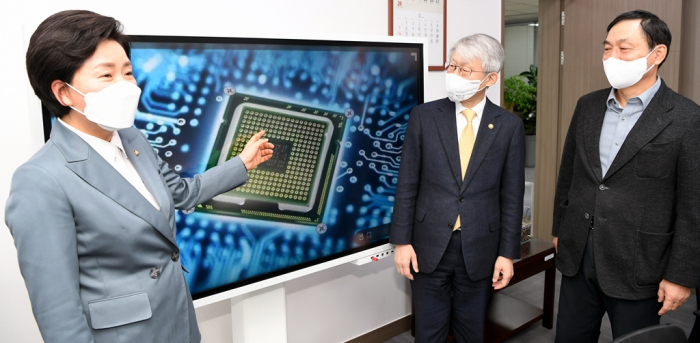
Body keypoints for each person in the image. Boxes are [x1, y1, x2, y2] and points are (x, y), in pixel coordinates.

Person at [5, 10, 273, 343]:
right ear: (63, 92)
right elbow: (59, 315)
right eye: (107, 75)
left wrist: (242, 164)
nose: (127, 86)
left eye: (128, 72)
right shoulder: (40, 181)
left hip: (178, 324)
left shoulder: (132, 139)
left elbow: (183, 194)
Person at [552, 10, 700, 342]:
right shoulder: (588, 106)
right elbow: (569, 174)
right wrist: (559, 229)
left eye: (624, 48)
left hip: (639, 262)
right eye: (607, 48)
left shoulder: (687, 118)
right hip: (579, 255)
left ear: (657, 54)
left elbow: (694, 206)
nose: (611, 57)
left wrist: (682, 276)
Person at [390, 34, 525, 342]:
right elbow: (407, 183)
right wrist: (401, 241)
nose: (454, 75)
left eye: (465, 70)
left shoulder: (508, 127)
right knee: (428, 332)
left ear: (490, 78)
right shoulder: (424, 117)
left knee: (471, 332)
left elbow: (512, 196)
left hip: (480, 247)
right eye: (452, 66)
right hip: (427, 244)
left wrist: (507, 254)